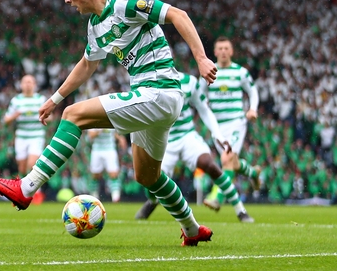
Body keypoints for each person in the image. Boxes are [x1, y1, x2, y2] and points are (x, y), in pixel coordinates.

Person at [0, 0, 217, 246]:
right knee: (148, 177)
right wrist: (55, 98)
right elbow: (87, 64)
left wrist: (201, 58)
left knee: (74, 115)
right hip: (153, 99)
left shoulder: (126, 3)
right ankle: (192, 229)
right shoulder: (95, 25)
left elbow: (178, 15)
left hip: (159, 91)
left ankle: (26, 187)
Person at [134, 73, 254, 222]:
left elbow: (204, 109)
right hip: (162, 139)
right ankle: (152, 202)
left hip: (187, 135)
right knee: (152, 180)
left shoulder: (189, 81)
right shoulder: (147, 82)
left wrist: (217, 134)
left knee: (209, 164)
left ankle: (240, 210)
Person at [204, 37, 261, 209]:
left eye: (226, 48)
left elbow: (253, 91)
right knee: (232, 163)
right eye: (220, 48)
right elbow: (200, 96)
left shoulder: (240, 72)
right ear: (215, 52)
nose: (223, 51)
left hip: (236, 122)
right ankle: (253, 173)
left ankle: (217, 197)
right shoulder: (208, 72)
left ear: (231, 51)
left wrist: (252, 109)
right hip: (217, 127)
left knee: (226, 158)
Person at [3, 75, 48, 203]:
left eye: (30, 82)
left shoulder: (40, 99)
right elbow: (6, 120)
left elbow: (49, 117)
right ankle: (24, 192)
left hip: (36, 136)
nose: (28, 84)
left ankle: (37, 193)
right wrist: (15, 115)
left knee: (32, 164)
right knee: (22, 168)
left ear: (34, 85)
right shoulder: (16, 100)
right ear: (21, 85)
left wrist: (42, 116)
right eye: (25, 82)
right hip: (21, 137)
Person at [87, 128, 126, 202]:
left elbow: (114, 133)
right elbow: (90, 135)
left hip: (110, 149)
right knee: (95, 175)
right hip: (97, 150)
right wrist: (100, 130)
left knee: (113, 173)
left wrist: (120, 138)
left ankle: (116, 197)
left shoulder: (111, 121)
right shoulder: (95, 123)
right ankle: (94, 195)